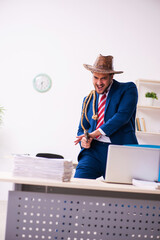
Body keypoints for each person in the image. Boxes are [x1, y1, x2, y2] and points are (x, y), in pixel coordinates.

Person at [74, 54, 138, 179]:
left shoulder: (127, 89)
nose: (99, 83)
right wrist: (84, 141)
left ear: (111, 76)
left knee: (121, 195)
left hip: (120, 151)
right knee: (78, 184)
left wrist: (95, 133)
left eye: (103, 78)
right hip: (93, 152)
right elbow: (82, 129)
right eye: (95, 77)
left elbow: (122, 117)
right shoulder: (88, 100)